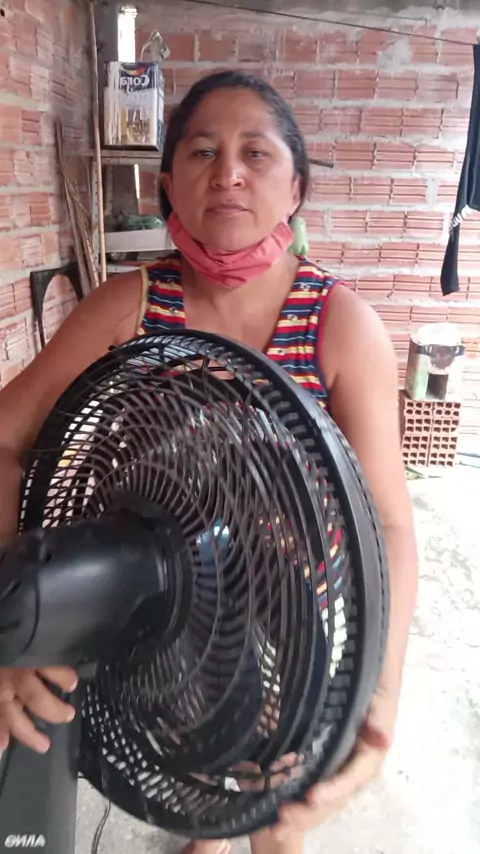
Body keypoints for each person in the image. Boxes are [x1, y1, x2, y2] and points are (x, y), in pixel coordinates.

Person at [0, 71, 417, 854]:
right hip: (165, 581)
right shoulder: (127, 307)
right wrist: (14, 628)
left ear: (295, 189)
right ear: (167, 187)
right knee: (204, 733)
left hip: (297, 589)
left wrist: (381, 694)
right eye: (201, 152)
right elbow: (5, 440)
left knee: (285, 785)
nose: (227, 172)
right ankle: (211, 829)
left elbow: (389, 520)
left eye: (256, 153)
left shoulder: (340, 323)